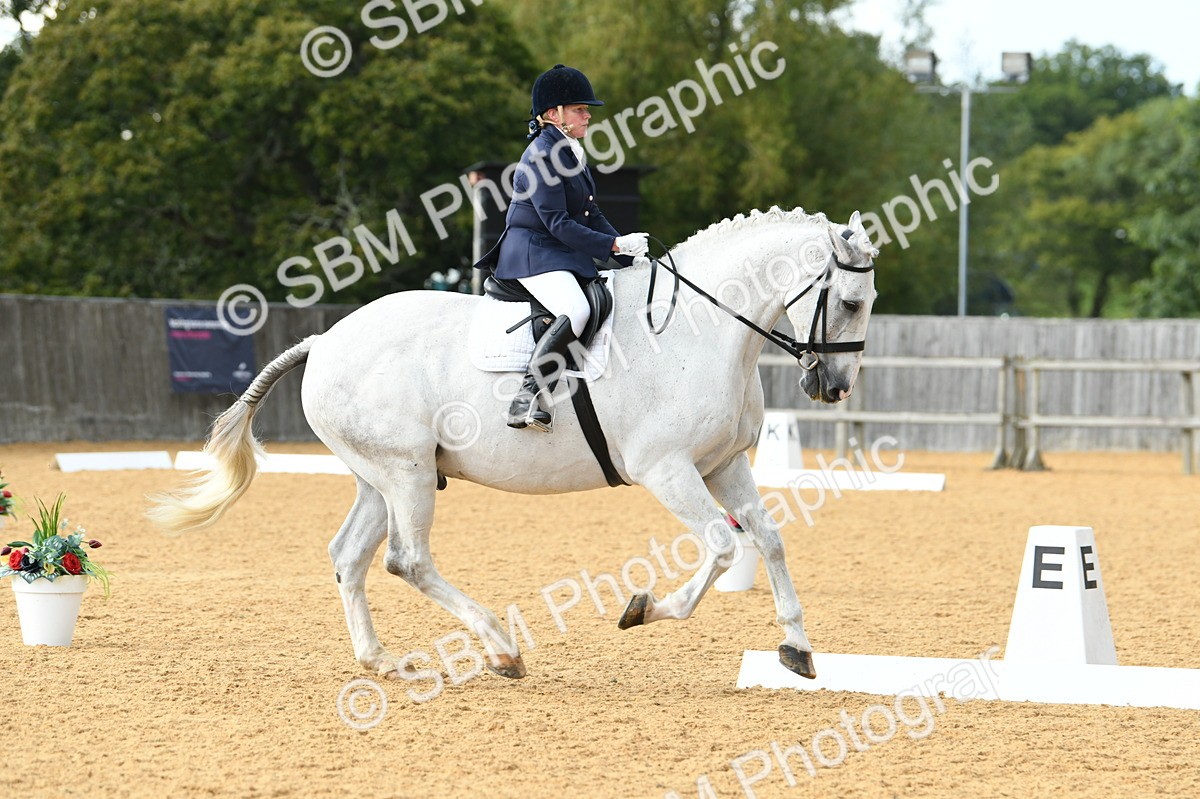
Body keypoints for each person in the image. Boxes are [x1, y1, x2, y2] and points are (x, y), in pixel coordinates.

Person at [475, 64, 649, 432]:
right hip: (532, 252)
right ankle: (527, 396)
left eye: (587, 110)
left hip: (558, 251)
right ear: (553, 114)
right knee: (577, 308)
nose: (588, 115)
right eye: (580, 109)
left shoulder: (569, 151)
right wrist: (612, 243)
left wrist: (625, 251)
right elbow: (557, 222)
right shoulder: (541, 155)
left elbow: (590, 212)